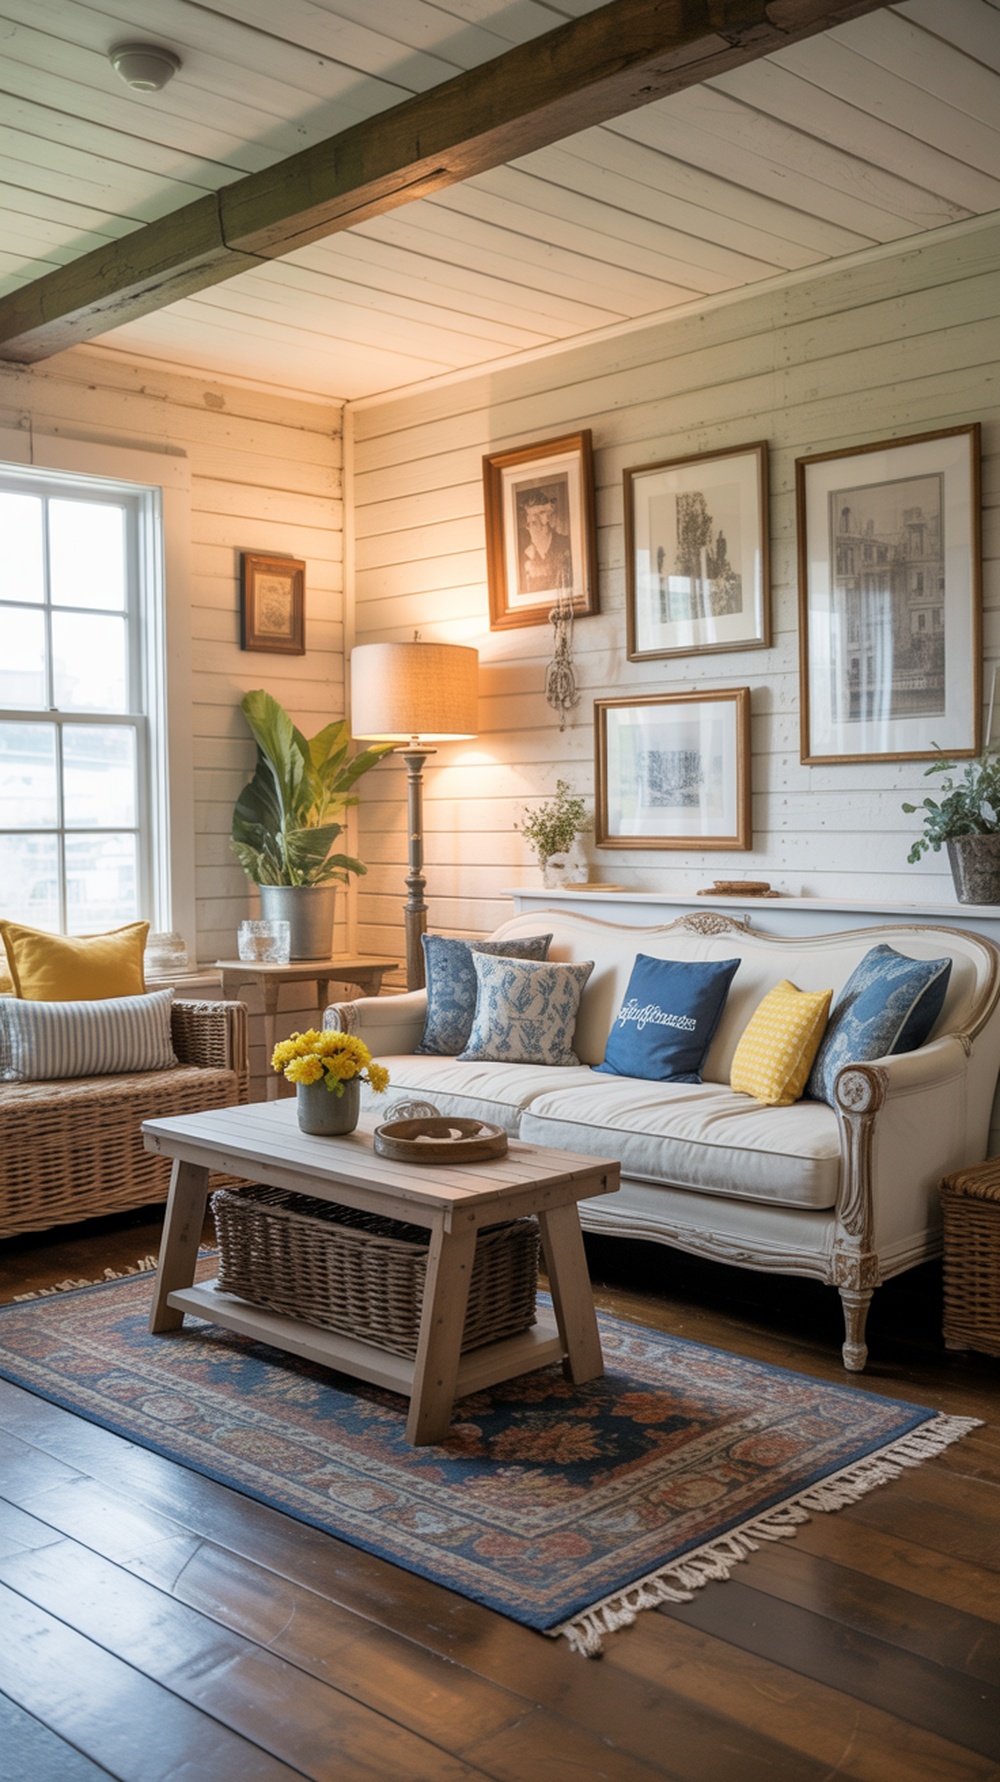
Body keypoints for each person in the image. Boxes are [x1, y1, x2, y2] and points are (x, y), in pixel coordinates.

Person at [518, 487, 573, 595]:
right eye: (531, 520)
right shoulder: (525, 555)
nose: (535, 521)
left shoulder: (566, 544)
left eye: (541, 513)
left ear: (549, 516)